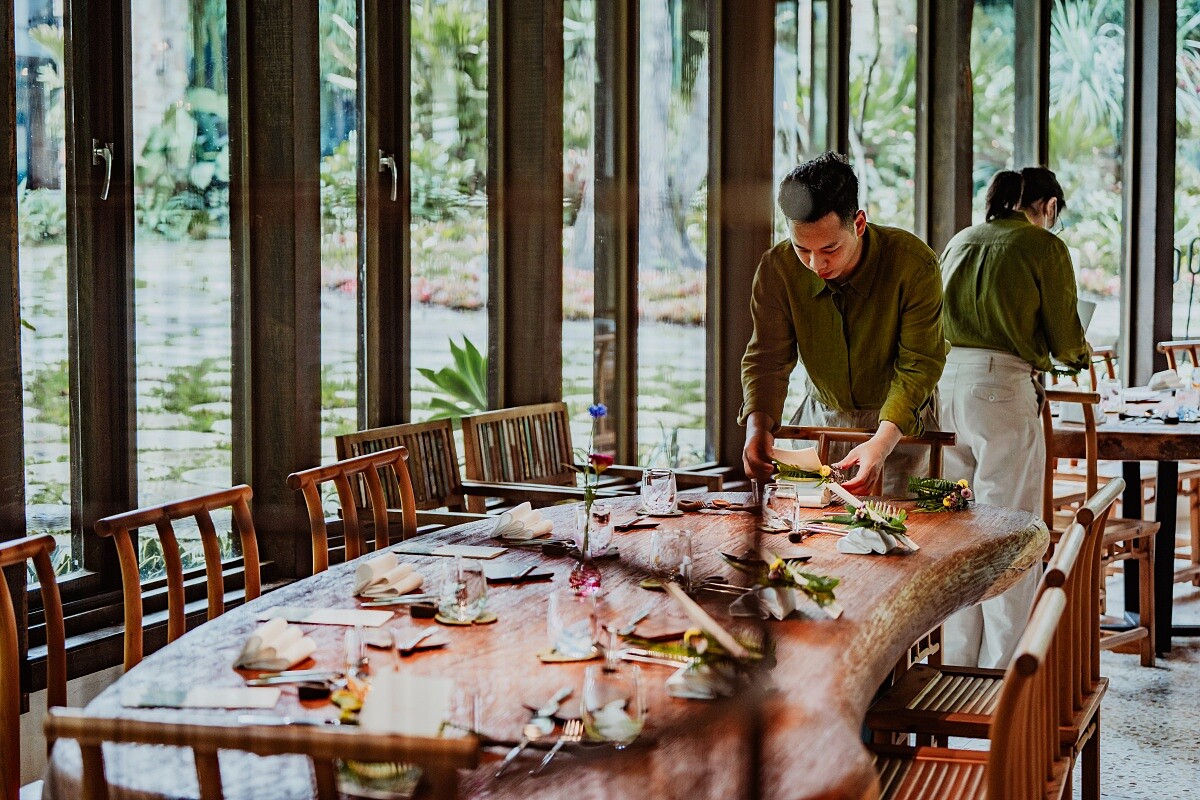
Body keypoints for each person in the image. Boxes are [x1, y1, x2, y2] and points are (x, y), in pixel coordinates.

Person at [938, 167, 1090, 669]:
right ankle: (1003, 679)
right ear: (1048, 206)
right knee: (1011, 534)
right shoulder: (1042, 246)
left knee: (957, 534)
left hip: (946, 386)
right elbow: (1066, 336)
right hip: (1001, 389)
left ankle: (957, 667)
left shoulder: (961, 240)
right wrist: (1077, 355)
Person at [741, 152, 946, 495]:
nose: (815, 264)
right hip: (820, 415)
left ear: (859, 224)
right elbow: (767, 360)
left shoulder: (914, 265)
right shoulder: (777, 269)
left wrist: (879, 445)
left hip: (901, 423)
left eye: (830, 248)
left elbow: (918, 365)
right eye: (801, 249)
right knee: (810, 530)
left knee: (901, 529)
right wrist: (757, 429)